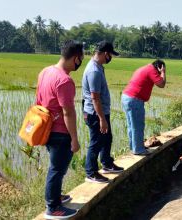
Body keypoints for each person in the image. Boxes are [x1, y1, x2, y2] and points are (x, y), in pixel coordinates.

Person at [35, 40, 83, 219]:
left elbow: (38, 100)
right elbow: (68, 113)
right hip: (60, 133)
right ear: (76, 58)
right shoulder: (64, 80)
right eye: (80, 59)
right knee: (57, 169)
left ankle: (56, 196)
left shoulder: (46, 71)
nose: (80, 63)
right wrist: (75, 140)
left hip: (47, 128)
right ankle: (53, 206)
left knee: (57, 167)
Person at [82, 41, 124, 184]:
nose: (110, 58)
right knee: (96, 142)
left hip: (100, 111)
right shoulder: (94, 71)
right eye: (111, 55)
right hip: (95, 113)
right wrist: (101, 118)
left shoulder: (98, 67)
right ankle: (91, 172)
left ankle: (107, 163)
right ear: (105, 53)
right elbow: (95, 97)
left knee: (107, 138)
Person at [122, 60, 166, 155]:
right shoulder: (152, 70)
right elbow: (161, 84)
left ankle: (134, 147)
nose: (159, 74)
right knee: (138, 126)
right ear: (159, 67)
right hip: (134, 100)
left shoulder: (144, 68)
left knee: (131, 125)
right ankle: (138, 150)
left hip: (126, 97)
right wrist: (163, 72)